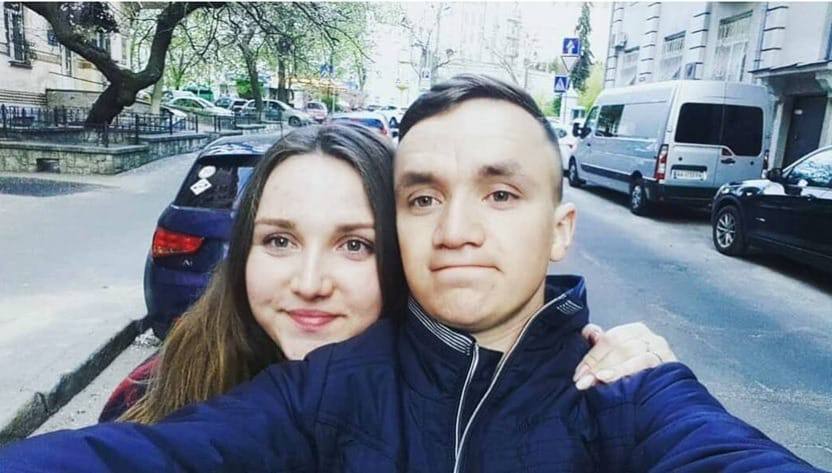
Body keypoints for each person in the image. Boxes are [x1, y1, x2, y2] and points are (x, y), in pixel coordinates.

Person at [0, 76, 819, 472]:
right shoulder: (302, 388)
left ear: (560, 229)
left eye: (500, 194)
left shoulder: (624, 394)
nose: (457, 229)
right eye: (424, 198)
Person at [97, 124, 672, 424]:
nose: (310, 282)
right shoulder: (156, 393)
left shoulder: (449, 407)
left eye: (354, 245)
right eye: (279, 241)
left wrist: (637, 370)